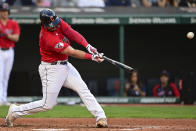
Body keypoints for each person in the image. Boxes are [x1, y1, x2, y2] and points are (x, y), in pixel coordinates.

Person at [5, 9, 107, 128]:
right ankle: (15, 111)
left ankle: (101, 117)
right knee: (47, 104)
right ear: (44, 23)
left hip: (66, 66)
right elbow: (71, 52)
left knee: (83, 89)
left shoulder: (56, 21)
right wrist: (92, 57)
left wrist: (88, 46)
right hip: (51, 70)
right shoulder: (48, 38)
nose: (54, 26)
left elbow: (71, 32)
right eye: (51, 25)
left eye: (54, 23)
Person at [0, 3, 20, 105]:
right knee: (0, 75)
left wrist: (5, 34)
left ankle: (3, 99)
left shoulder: (13, 23)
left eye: (6, 11)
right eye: (2, 11)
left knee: (5, 77)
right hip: (0, 51)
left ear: (8, 12)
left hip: (9, 51)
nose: (4, 13)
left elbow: (16, 38)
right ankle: (0, 99)